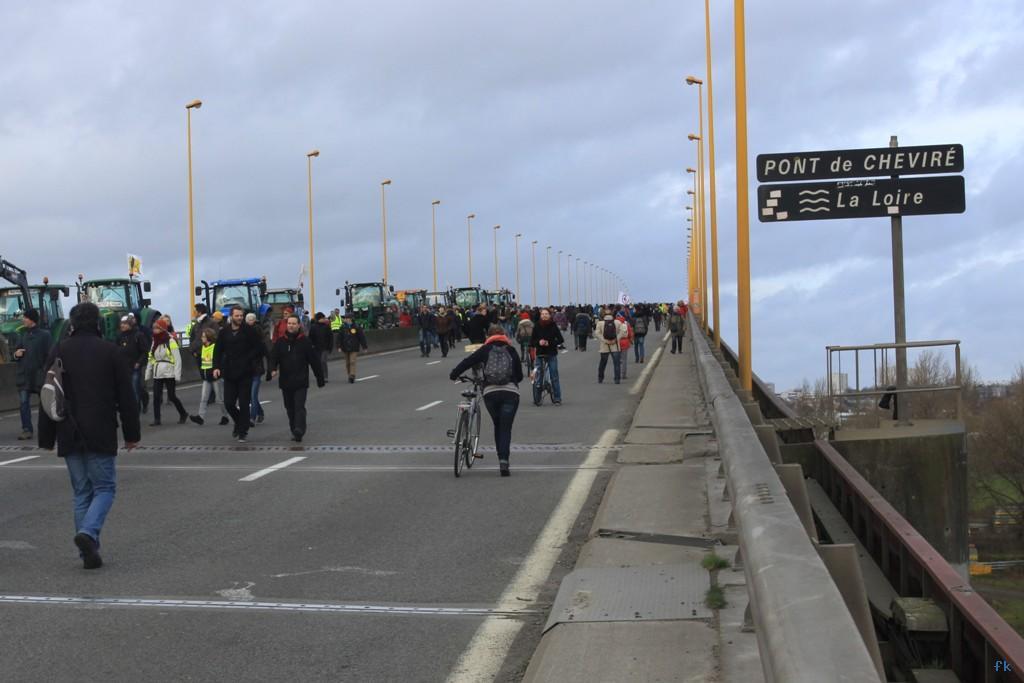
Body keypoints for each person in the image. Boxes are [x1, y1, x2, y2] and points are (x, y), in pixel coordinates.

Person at [39, 303, 140, 569]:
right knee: (105, 488)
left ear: (71, 323)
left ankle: (88, 554)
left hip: (68, 429)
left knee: (82, 492)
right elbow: (127, 398)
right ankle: (88, 534)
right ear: (98, 323)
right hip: (100, 428)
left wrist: (46, 437)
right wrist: (131, 434)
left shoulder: (59, 350)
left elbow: (48, 392)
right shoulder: (111, 352)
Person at [448, 323, 524, 476]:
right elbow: (520, 376)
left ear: (488, 336)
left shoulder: (485, 349)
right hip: (510, 393)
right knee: (505, 428)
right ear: (504, 335)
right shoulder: (511, 350)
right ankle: (504, 462)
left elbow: (467, 362)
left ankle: (501, 459)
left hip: (491, 393)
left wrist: (454, 374)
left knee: (497, 425)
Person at [267, 314, 325, 442]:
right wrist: (272, 370)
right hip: (286, 382)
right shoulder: (280, 342)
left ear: (299, 325)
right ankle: (294, 429)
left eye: (294, 323)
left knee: (299, 407)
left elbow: (314, 361)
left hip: (301, 381)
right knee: (289, 408)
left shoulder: (305, 342)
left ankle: (299, 429)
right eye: (289, 323)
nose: (291, 326)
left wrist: (319, 378)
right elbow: (273, 358)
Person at [213, 305, 265, 443]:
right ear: (231, 316)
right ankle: (239, 422)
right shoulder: (224, 332)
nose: (240, 318)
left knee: (243, 403)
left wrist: (248, 358)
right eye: (237, 316)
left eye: (241, 315)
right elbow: (217, 350)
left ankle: (243, 432)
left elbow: (260, 347)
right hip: (229, 372)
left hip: (245, 373)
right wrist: (216, 367)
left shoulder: (249, 331)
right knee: (229, 403)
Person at [13, 309, 51, 440]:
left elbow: (49, 355)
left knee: (45, 404)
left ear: (32, 319)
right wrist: (16, 354)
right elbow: (15, 352)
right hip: (24, 375)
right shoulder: (22, 335)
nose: (23, 320)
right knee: (24, 404)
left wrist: (45, 371)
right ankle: (27, 429)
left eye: (25, 318)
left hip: (39, 375)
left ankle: (47, 429)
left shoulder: (45, 335)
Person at [145, 318, 189, 426]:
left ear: (162, 329)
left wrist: (177, 374)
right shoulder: (154, 341)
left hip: (169, 372)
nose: (154, 330)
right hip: (157, 372)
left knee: (172, 396)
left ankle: (183, 413)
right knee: (156, 396)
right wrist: (148, 372)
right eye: (153, 328)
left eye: (156, 328)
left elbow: (177, 359)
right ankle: (157, 419)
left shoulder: (171, 340)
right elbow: (151, 357)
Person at [189, 328, 228, 426]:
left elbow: (220, 360)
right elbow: (201, 358)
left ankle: (225, 416)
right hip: (206, 377)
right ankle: (200, 417)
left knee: (219, 399)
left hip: (215, 377)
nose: (202, 338)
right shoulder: (203, 347)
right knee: (204, 398)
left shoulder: (215, 347)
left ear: (208, 337)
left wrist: (218, 371)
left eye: (203, 336)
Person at [529, 307, 564, 405]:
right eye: (542, 314)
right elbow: (532, 341)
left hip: (551, 353)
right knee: (538, 377)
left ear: (549, 315)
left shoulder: (553, 326)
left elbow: (560, 340)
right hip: (540, 353)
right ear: (540, 315)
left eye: (546, 314)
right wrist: (538, 342)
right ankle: (537, 397)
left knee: (554, 376)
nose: (544, 315)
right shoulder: (536, 326)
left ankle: (557, 398)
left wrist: (550, 343)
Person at [116, 314, 149, 414]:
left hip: (135, 367)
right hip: (123, 367)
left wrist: (139, 363)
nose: (123, 326)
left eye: (125, 324)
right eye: (122, 324)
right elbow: (115, 350)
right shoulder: (119, 336)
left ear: (130, 324)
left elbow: (144, 351)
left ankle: (137, 409)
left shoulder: (138, 335)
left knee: (135, 388)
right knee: (125, 390)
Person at [246, 313, 269, 426]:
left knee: (253, 395)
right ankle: (260, 412)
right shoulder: (243, 340)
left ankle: (252, 417)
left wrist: (271, 369)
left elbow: (267, 355)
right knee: (250, 396)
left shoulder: (260, 341)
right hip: (246, 371)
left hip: (256, 370)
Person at [597, 310, 628, 384]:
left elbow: (597, 333)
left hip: (604, 346)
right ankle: (617, 379)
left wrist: (605, 340)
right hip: (615, 346)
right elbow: (624, 331)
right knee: (616, 363)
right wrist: (616, 339)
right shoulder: (617, 322)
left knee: (603, 363)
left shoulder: (600, 323)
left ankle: (600, 378)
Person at [338, 311, 368, 383]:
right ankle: (349, 375)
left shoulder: (356, 327)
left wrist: (364, 347)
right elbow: (339, 338)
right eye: (346, 318)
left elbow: (361, 337)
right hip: (345, 347)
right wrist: (339, 346)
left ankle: (352, 375)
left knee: (352, 361)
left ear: (352, 319)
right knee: (347, 363)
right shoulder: (342, 327)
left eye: (348, 318)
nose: (347, 319)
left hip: (354, 347)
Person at [308, 312, 334, 382]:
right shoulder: (313, 327)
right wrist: (311, 346)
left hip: (325, 348)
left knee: (323, 361)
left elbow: (331, 338)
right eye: (323, 318)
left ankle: (325, 377)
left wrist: (330, 347)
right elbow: (310, 338)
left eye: (324, 318)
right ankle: (320, 376)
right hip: (316, 348)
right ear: (319, 319)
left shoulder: (327, 327)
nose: (324, 319)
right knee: (318, 363)